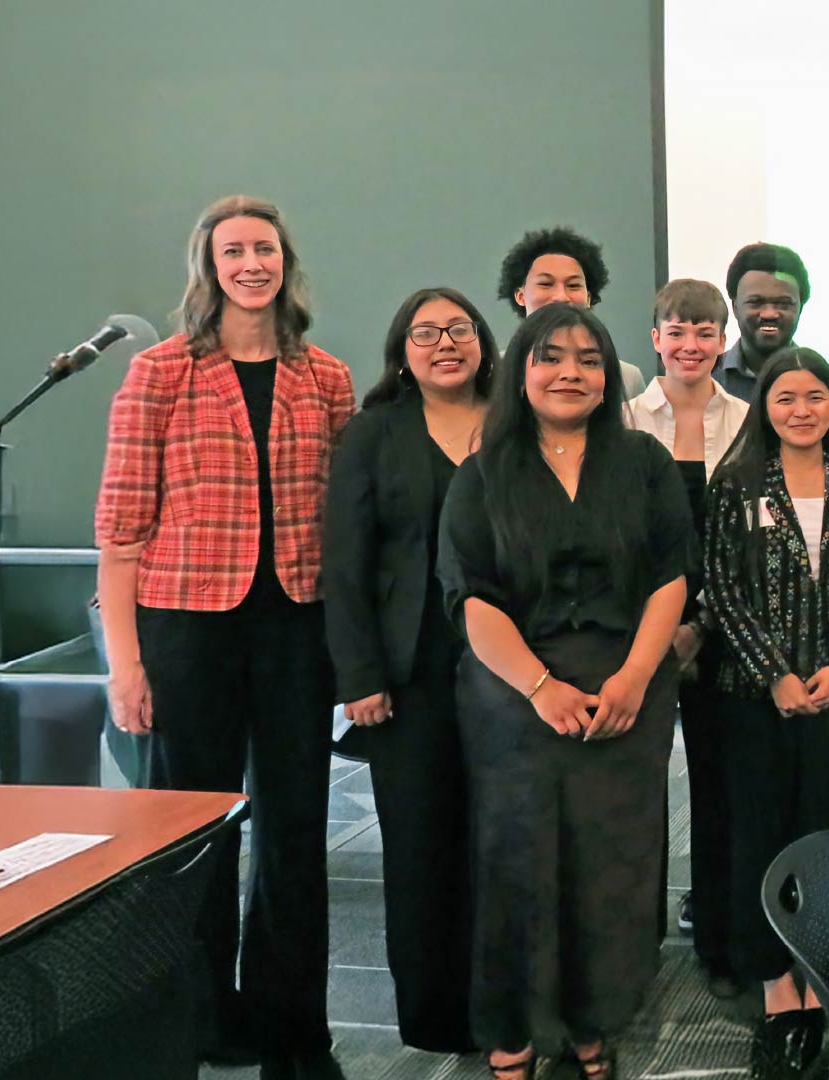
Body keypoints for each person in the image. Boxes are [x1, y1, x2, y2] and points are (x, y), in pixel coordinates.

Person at [94, 195, 353, 1080]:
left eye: (265, 249)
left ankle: (292, 1033)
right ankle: (199, 1021)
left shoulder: (326, 376)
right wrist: (126, 666)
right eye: (234, 250)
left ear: (287, 262)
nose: (252, 263)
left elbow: (345, 522)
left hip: (295, 627)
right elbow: (121, 530)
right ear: (208, 267)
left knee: (294, 830)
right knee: (194, 830)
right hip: (185, 629)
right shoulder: (160, 373)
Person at [437, 302, 694, 1080]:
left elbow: (670, 577)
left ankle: (592, 1024)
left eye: (588, 358)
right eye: (551, 357)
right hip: (514, 695)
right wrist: (541, 686)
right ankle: (513, 1030)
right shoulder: (484, 473)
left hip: (628, 688)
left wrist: (635, 679)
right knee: (517, 862)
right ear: (521, 370)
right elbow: (470, 598)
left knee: (609, 865)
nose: (570, 373)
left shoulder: (643, 463)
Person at [702, 348, 829, 1080]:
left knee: (826, 836)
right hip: (755, 697)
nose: (802, 410)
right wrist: (775, 674)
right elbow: (721, 587)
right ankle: (775, 987)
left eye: (815, 396)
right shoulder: (736, 483)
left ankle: (821, 979)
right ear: (765, 408)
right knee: (760, 832)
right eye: (786, 398)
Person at [322, 287, 496, 1054]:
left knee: (502, 841)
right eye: (426, 333)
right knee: (423, 843)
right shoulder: (373, 433)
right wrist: (359, 676)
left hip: (512, 670)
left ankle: (506, 1005)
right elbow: (345, 562)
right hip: (410, 670)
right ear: (403, 350)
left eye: (459, 329)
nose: (445, 343)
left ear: (485, 342)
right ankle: (435, 1014)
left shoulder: (517, 421)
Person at [623, 278, 749, 997]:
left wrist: (706, 625)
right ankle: (634, 944)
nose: (691, 345)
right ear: (656, 339)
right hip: (646, 625)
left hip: (730, 627)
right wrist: (666, 626)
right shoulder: (628, 420)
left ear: (722, 340)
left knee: (720, 782)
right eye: (677, 331)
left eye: (705, 332)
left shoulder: (749, 416)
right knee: (636, 789)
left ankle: (723, 936)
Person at [496, 225, 645, 399]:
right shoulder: (492, 373)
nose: (560, 297)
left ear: (588, 298)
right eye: (545, 284)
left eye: (573, 285)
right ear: (520, 296)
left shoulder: (628, 378)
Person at [719, 242, 811, 403]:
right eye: (755, 302)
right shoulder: (705, 380)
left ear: (800, 308)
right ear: (735, 307)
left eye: (783, 303)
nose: (769, 313)